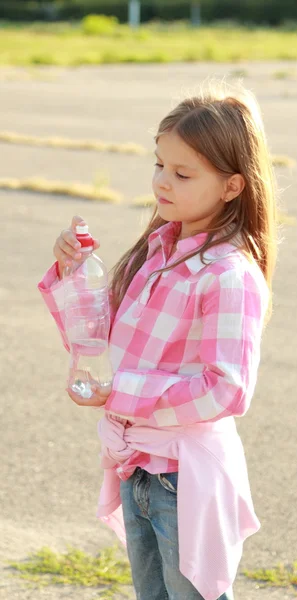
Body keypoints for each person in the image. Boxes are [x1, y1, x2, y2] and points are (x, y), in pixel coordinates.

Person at [38, 81, 279, 600]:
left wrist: (119, 389)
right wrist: (73, 273)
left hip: (184, 480)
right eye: (159, 165)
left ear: (233, 186)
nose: (161, 182)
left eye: (182, 173)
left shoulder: (228, 275)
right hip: (139, 469)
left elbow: (226, 390)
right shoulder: (158, 250)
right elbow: (100, 338)